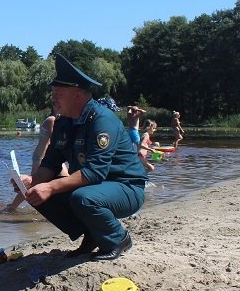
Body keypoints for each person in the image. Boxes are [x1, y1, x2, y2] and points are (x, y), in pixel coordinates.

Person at [14, 55, 146, 261]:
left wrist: (50, 187)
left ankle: (119, 238)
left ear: (77, 95)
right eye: (53, 93)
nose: (53, 98)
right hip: (94, 187)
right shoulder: (63, 123)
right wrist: (32, 182)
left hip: (126, 187)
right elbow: (50, 163)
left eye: (58, 93)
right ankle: (92, 234)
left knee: (82, 198)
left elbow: (95, 172)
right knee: (34, 194)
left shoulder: (102, 120)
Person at [7, 114, 67, 211]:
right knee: (32, 183)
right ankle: (12, 206)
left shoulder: (52, 119)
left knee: (62, 179)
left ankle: (13, 206)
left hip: (42, 154)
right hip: (44, 156)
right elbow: (58, 142)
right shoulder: (53, 120)